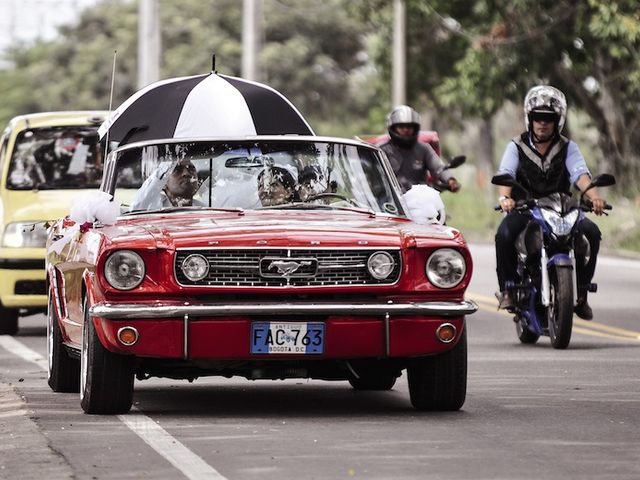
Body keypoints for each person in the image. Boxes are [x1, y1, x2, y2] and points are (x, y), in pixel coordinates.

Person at [495, 85, 607, 320]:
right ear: (530, 119)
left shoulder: (568, 147)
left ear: (558, 121)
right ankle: (509, 288)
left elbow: (580, 175)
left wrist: (594, 197)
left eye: (548, 119)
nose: (542, 123)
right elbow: (506, 173)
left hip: (562, 208)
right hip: (526, 209)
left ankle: (582, 291)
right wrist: (506, 199)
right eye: (538, 118)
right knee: (504, 234)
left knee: (592, 233)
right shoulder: (516, 146)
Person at [380, 105, 461, 194]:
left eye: (409, 127)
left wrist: (450, 180)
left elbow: (438, 167)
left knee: (438, 207)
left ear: (415, 128)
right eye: (401, 127)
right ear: (393, 128)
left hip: (419, 199)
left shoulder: (423, 149)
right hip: (389, 200)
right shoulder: (382, 150)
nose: (406, 130)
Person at [130, 158, 201, 211]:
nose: (187, 173)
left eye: (191, 169)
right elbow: (136, 208)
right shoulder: (152, 209)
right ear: (163, 183)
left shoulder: (205, 210)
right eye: (177, 170)